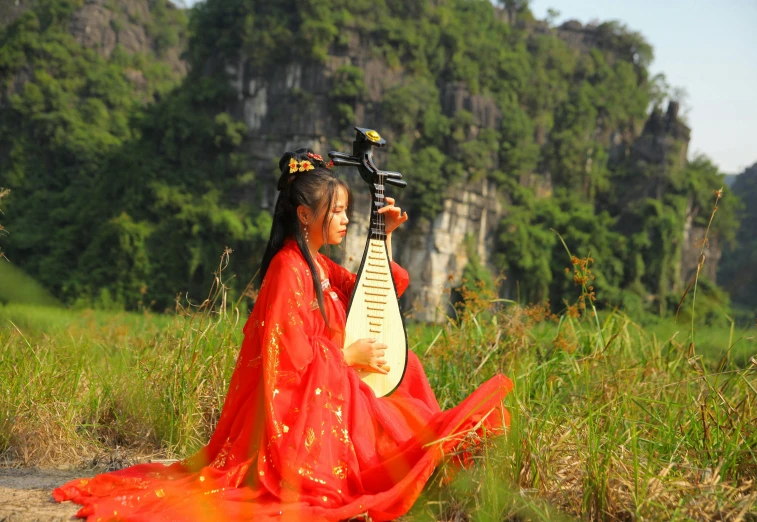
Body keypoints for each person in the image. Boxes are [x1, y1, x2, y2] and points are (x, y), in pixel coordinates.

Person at [54, 149, 512, 521]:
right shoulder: (288, 268)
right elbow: (287, 363)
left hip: (337, 390)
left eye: (347, 212)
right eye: (337, 212)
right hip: (311, 404)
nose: (345, 220)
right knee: (386, 433)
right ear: (304, 214)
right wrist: (347, 357)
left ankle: (423, 463)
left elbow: (375, 296)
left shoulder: (320, 264)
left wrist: (384, 235)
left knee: (404, 365)